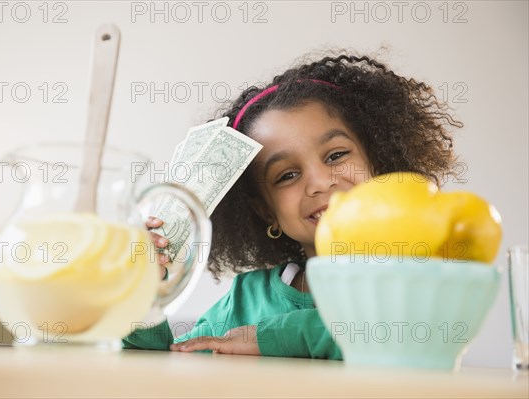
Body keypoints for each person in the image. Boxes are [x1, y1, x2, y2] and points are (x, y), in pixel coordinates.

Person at [122, 51, 462, 358]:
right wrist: (140, 294)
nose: (319, 182)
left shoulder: (418, 272)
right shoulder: (245, 301)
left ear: (378, 162)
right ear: (266, 211)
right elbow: (165, 365)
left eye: (336, 155)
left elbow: (405, 336)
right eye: (286, 175)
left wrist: (273, 337)